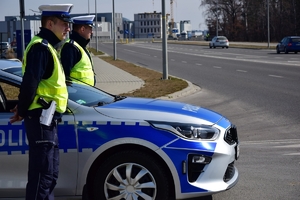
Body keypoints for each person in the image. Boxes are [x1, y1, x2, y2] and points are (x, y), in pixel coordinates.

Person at [9, 4, 73, 200]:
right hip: (40, 118)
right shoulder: (41, 48)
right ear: (50, 23)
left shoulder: (49, 48)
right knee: (42, 176)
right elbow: (30, 83)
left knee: (50, 175)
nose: (68, 28)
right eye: (64, 24)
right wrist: (23, 108)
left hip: (48, 119)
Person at [60, 15, 96, 86]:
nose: (92, 32)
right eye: (90, 29)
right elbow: (65, 76)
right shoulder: (71, 47)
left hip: (85, 93)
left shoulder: (80, 46)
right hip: (77, 94)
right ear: (82, 29)